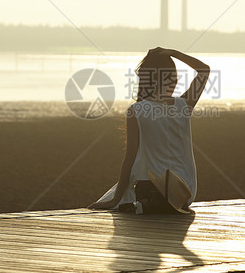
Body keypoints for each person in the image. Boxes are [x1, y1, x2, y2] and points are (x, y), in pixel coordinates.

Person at [89, 47, 210, 214]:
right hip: (186, 191)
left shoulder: (137, 110)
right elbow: (204, 70)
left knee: (127, 193)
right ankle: (152, 203)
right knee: (149, 191)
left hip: (158, 188)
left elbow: (130, 159)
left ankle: (148, 202)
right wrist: (174, 53)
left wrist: (115, 199)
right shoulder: (184, 105)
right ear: (172, 78)